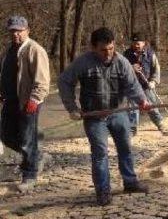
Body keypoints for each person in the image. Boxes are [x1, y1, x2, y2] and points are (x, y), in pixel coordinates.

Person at [58, 27, 152, 206]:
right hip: (94, 117)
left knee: (125, 148)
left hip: (119, 113)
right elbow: (64, 81)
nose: (108, 53)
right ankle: (103, 191)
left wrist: (142, 101)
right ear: (93, 47)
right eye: (103, 49)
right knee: (100, 153)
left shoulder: (122, 62)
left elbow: (132, 85)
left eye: (111, 48)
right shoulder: (83, 63)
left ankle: (130, 182)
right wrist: (72, 108)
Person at [0, 15, 50, 192]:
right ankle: (36, 154)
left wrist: (34, 100)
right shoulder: (8, 51)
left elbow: (42, 81)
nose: (15, 34)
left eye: (19, 30)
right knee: (6, 135)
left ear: (27, 30)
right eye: (12, 30)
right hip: (9, 100)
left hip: (28, 101)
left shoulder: (35, 50)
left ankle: (29, 175)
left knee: (27, 140)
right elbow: (4, 74)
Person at [123, 33, 168, 135]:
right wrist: (131, 68)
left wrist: (153, 81)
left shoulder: (150, 54)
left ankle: (159, 123)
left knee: (151, 105)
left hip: (146, 84)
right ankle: (132, 128)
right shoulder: (126, 55)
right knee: (132, 107)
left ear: (143, 43)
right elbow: (122, 69)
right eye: (134, 43)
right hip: (132, 86)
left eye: (138, 43)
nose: (136, 45)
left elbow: (156, 69)